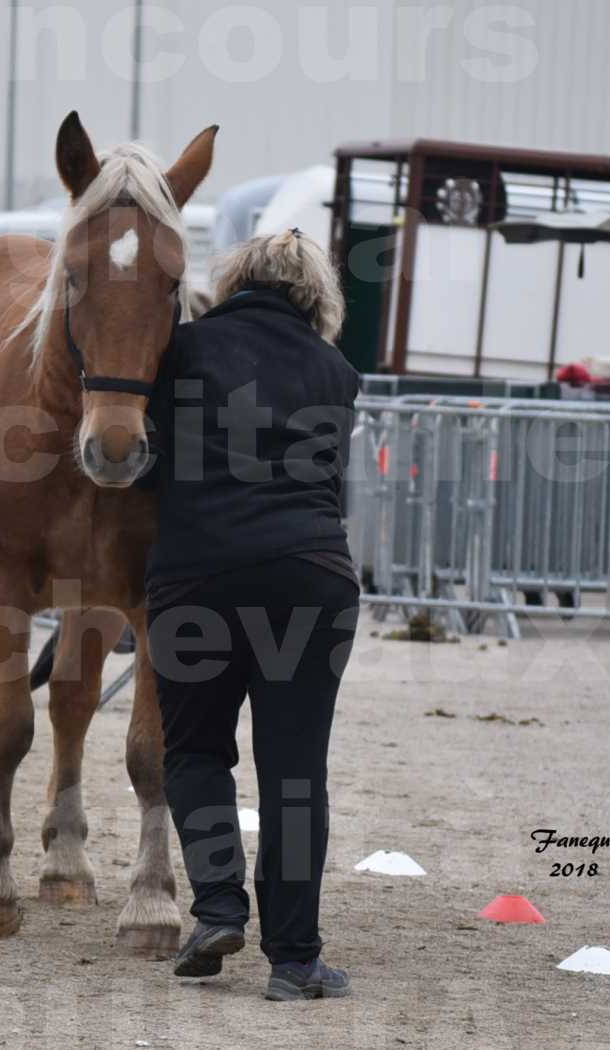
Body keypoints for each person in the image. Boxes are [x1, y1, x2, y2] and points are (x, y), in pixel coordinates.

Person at [138, 229, 362, 1001]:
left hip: (196, 579)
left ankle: (217, 910)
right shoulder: (337, 370)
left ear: (235, 277)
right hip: (310, 579)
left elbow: (147, 460)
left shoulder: (185, 349)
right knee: (295, 775)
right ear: (316, 293)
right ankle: (295, 963)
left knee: (196, 753)